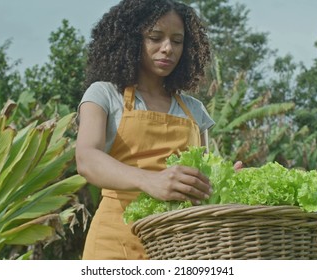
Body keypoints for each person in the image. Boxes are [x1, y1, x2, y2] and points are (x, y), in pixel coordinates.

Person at [76, 0, 217, 260]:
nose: (167, 49)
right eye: (155, 37)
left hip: (180, 247)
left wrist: (222, 181)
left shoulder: (195, 110)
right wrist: (149, 180)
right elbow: (87, 158)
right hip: (114, 242)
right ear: (131, 40)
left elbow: (204, 177)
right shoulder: (104, 94)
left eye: (177, 41)